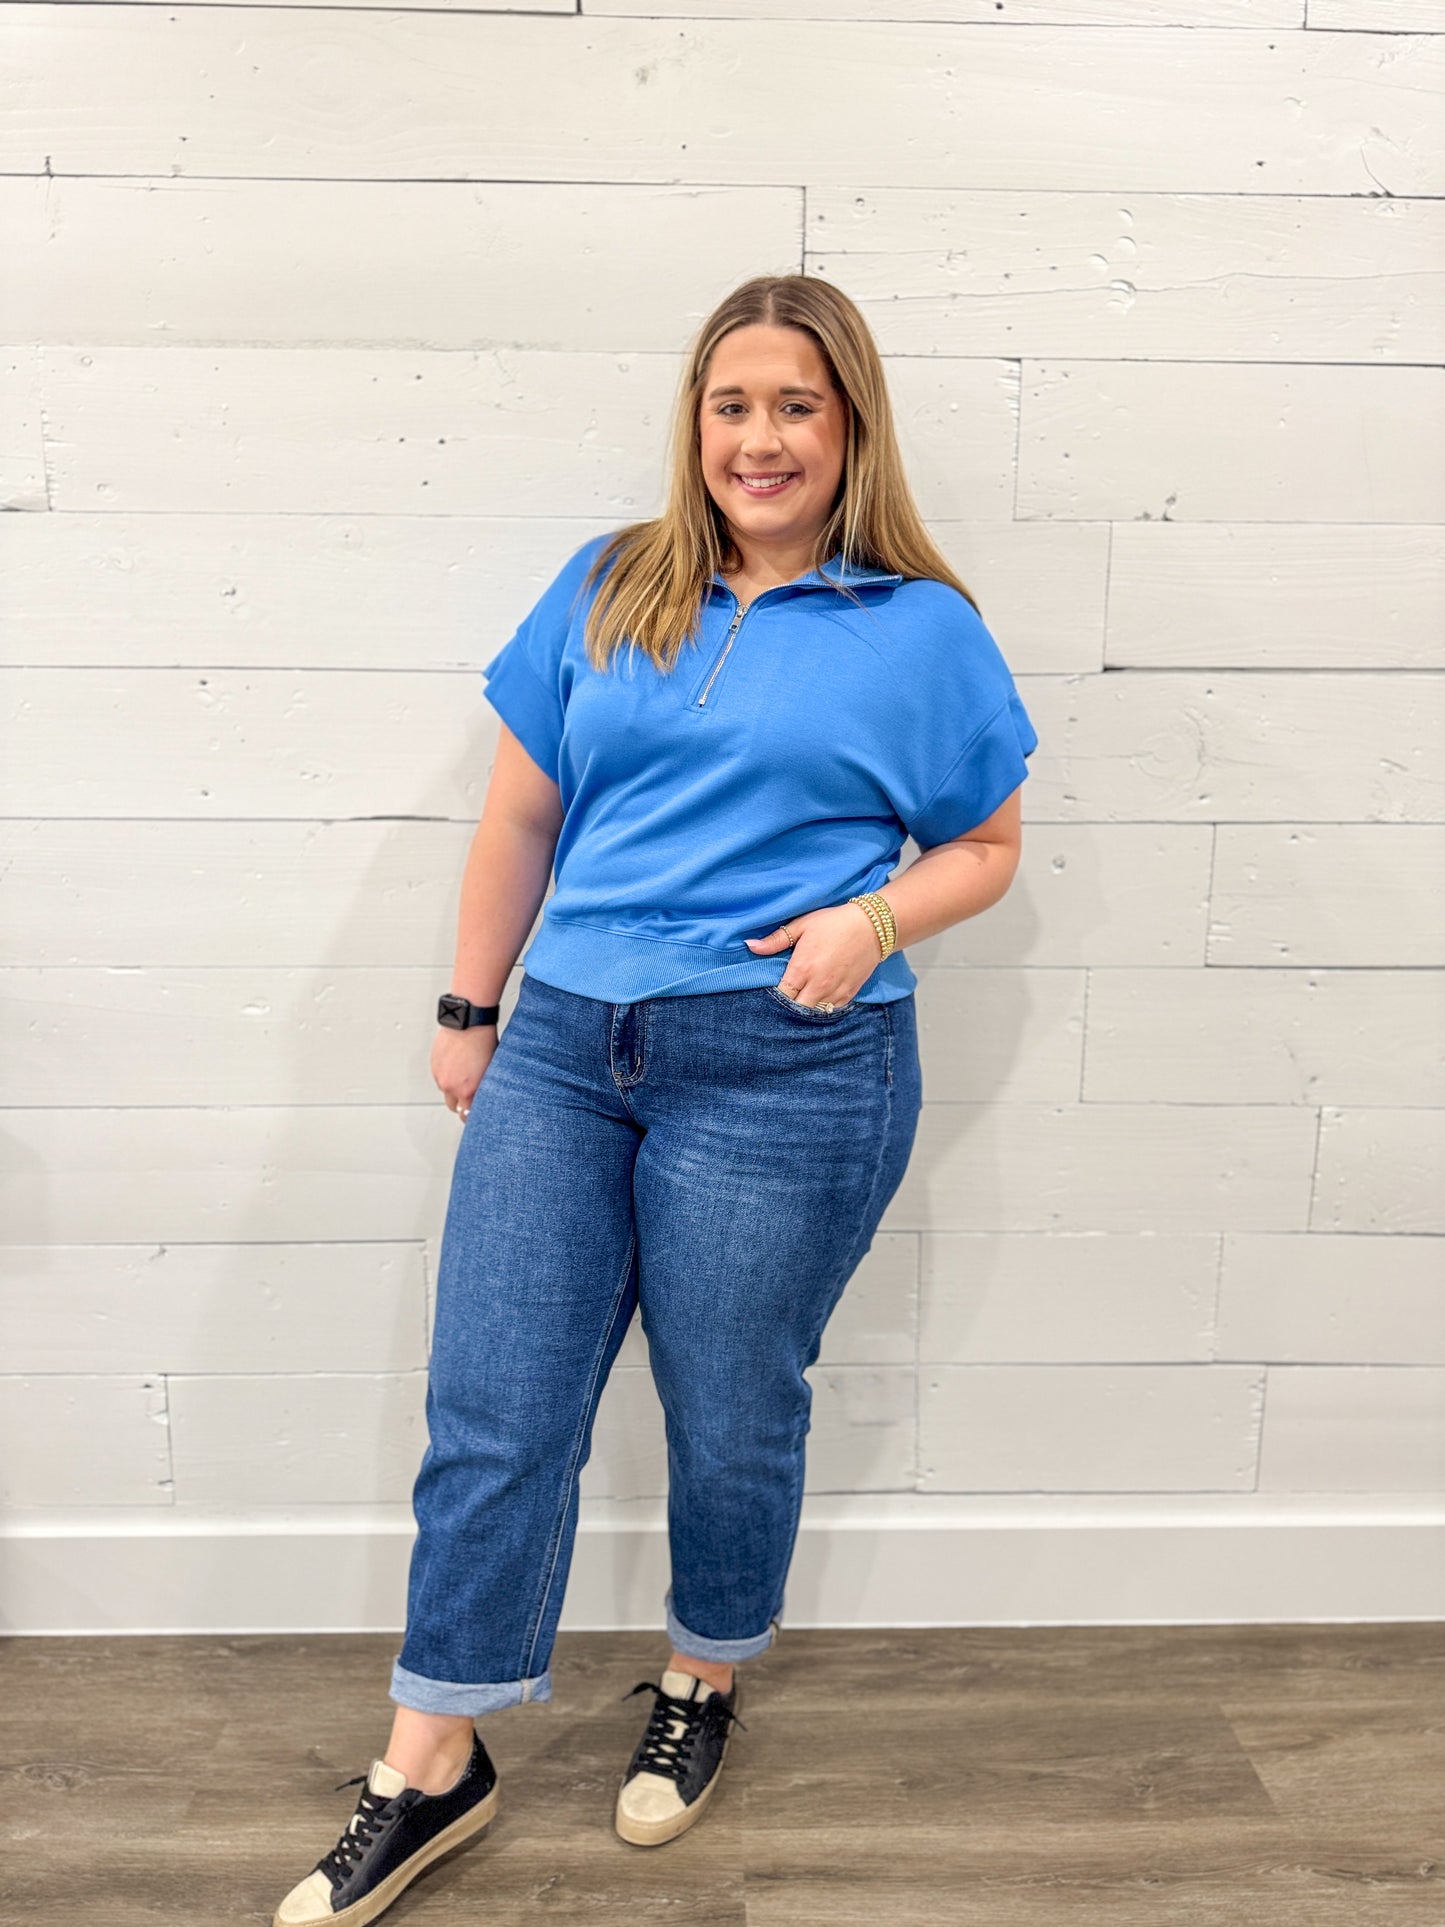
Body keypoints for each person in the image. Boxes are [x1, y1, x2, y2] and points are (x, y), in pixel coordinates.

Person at [273, 273, 1036, 1927]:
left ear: (850, 432)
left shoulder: (920, 630)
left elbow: (986, 848)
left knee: (732, 1403)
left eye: (796, 408)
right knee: (495, 1405)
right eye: (731, 405)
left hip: (788, 1067)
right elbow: (518, 826)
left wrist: (874, 918)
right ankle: (430, 1762)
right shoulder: (609, 585)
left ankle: (702, 1680)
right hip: (563, 1048)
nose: (758, 439)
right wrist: (471, 1009)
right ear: (696, 423)